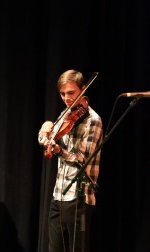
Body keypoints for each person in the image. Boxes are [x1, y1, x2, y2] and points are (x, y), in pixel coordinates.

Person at [38, 69, 103, 252]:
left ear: (83, 90)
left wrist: (58, 150)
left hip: (78, 196)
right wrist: (44, 132)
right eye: (62, 94)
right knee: (54, 248)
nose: (66, 98)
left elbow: (81, 159)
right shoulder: (66, 113)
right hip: (59, 194)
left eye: (71, 93)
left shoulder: (93, 120)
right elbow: (47, 136)